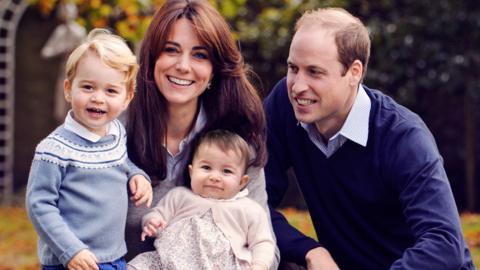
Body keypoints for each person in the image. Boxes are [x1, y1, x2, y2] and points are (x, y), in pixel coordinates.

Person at [264, 7, 475, 270]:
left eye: (314, 72)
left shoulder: (403, 137)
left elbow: (444, 244)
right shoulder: (284, 106)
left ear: (354, 72)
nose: (297, 86)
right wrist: (310, 250)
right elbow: (249, 200)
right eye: (293, 68)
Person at [125, 0, 279, 268]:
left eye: (199, 55)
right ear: (152, 59)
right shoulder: (115, 132)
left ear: (214, 71)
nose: (183, 66)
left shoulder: (237, 145)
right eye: (171, 50)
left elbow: (265, 247)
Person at [26, 29, 153, 270]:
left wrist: (136, 175)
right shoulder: (54, 150)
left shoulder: (115, 132)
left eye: (111, 91)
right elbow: (39, 204)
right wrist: (70, 250)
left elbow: (121, 162)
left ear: (127, 97)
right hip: (72, 260)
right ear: (68, 89)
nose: (98, 98)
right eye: (87, 87)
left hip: (113, 256)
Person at [127, 129, 275, 270]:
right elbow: (158, 214)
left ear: (242, 182)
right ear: (191, 172)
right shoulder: (180, 196)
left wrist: (259, 265)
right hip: (168, 262)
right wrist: (152, 222)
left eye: (226, 171)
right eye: (206, 167)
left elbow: (262, 243)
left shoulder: (249, 209)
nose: (214, 177)